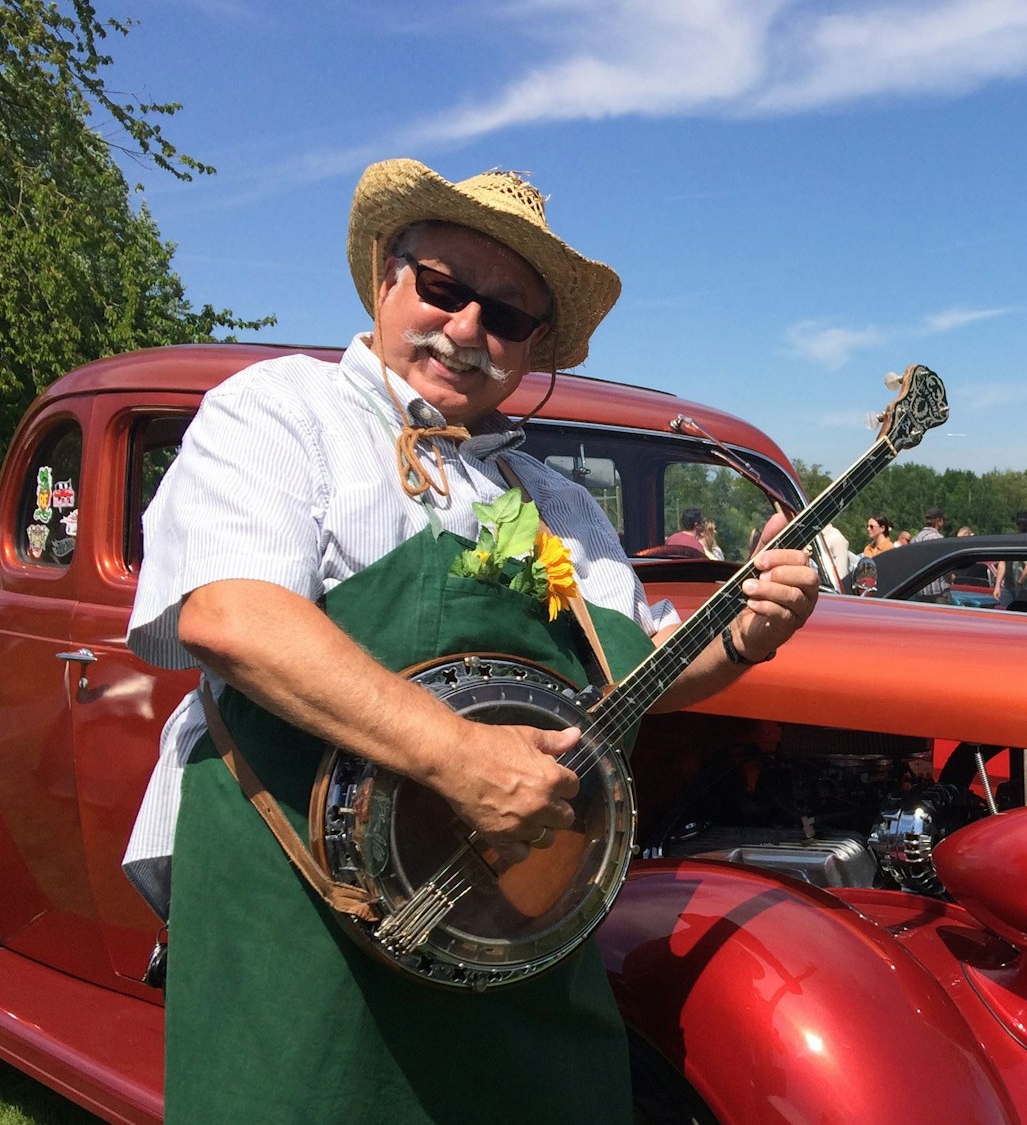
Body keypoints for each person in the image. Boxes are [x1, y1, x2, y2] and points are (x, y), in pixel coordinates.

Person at [119, 160, 819, 1123]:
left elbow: (629, 677)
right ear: (384, 277)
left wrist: (743, 634)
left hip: (514, 930)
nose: (467, 329)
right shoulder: (281, 410)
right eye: (443, 288)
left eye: (507, 316)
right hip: (306, 927)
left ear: (533, 349)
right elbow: (231, 616)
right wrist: (458, 755)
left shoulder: (562, 503)